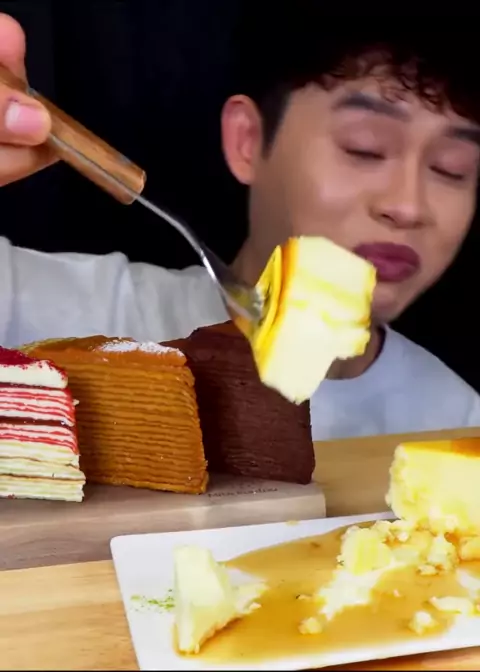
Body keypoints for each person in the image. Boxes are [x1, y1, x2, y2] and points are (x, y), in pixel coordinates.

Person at [0, 8, 479, 440]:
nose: (408, 206)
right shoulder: (47, 309)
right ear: (248, 141)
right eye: (365, 147)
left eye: (452, 168)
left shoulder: (459, 422)